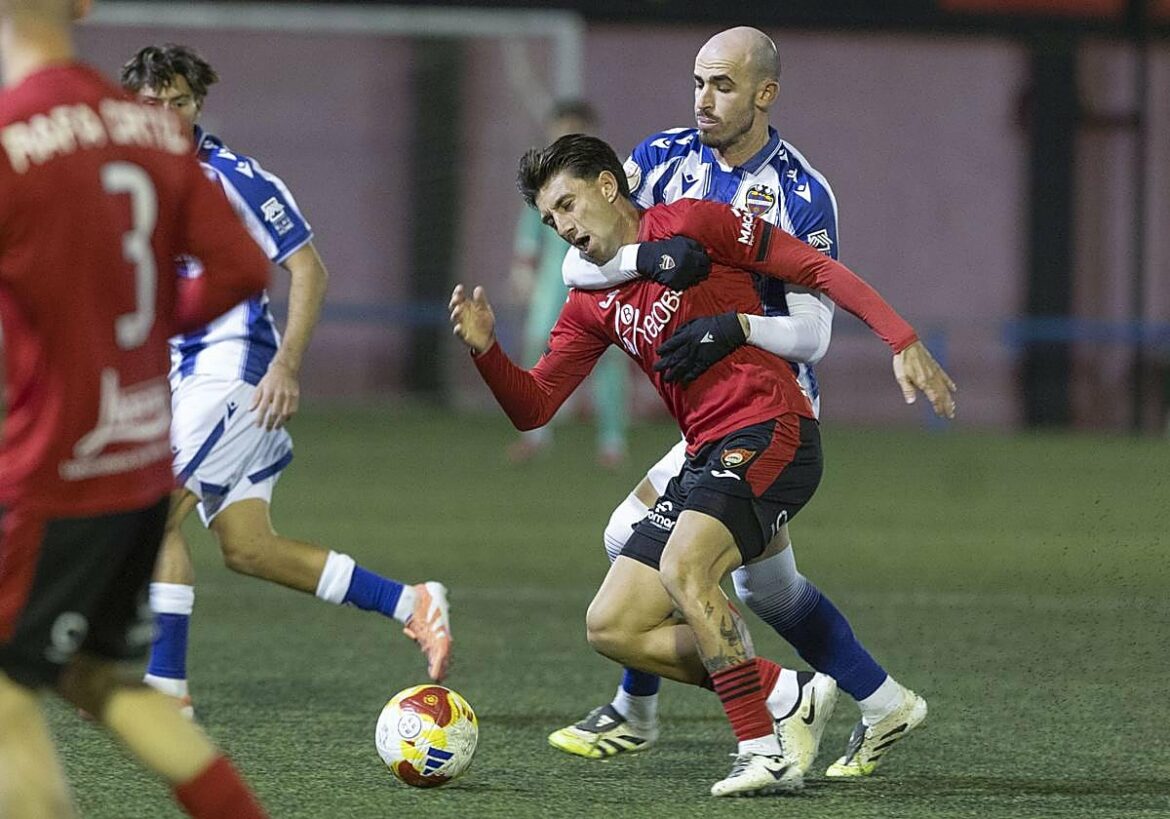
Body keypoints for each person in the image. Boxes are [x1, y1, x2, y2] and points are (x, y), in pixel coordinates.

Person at [449, 134, 955, 796]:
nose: (564, 227)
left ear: (609, 186)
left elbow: (816, 270)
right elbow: (536, 405)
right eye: (550, 219)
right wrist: (487, 351)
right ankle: (786, 692)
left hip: (773, 426)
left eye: (569, 204)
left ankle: (761, 747)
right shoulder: (588, 303)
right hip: (704, 450)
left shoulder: (694, 221)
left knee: (687, 567)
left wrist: (903, 338)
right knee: (614, 624)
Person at [548, 26, 924, 779]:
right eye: (697, 81)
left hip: (766, 405)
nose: (703, 99)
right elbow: (577, 257)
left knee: (635, 536)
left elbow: (815, 331)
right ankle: (883, 702)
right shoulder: (657, 159)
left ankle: (645, 709)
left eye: (721, 85)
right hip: (704, 415)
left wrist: (735, 328)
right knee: (765, 584)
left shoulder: (802, 192)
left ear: (764, 93)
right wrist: (645, 257)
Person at [118, 44, 451, 716]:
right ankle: (410, 600)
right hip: (186, 379)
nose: (165, 116)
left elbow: (309, 269)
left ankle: (166, 693)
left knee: (145, 520)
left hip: (238, 374)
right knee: (248, 547)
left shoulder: (234, 177)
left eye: (177, 103)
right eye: (152, 105)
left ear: (197, 105)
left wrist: (286, 364)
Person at [0, 1, 273, 816]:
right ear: (83, 5)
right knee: (99, 680)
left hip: (54, 471)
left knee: (8, 699)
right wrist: (147, 321)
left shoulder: (12, 134)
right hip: (135, 468)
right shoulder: (149, 130)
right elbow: (239, 272)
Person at [509, 99, 629, 467]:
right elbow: (531, 230)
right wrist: (522, 269)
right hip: (554, 278)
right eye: (559, 128)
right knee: (538, 346)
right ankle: (535, 433)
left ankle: (612, 440)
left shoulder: (609, 173)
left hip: (603, 273)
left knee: (608, 355)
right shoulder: (543, 180)